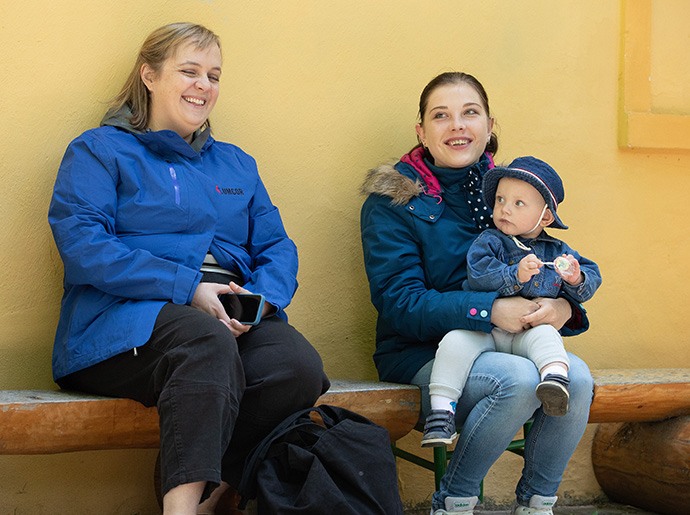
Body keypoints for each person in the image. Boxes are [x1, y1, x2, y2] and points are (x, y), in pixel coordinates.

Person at [48, 23, 329, 515]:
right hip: (126, 319)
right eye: (189, 71)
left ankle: (213, 495)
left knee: (297, 368)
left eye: (214, 76)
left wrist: (259, 302)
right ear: (150, 76)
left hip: (228, 313)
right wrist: (188, 287)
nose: (204, 85)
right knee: (204, 342)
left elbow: (277, 246)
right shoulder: (98, 150)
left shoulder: (236, 164)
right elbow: (84, 246)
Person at [360, 72, 594, 515]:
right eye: (441, 116)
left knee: (578, 380)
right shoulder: (392, 201)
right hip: (423, 351)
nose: (457, 126)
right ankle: (453, 502)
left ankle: (536, 505)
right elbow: (399, 302)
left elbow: (551, 256)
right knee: (519, 381)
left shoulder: (511, 192)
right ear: (422, 131)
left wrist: (564, 305)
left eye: (470, 113)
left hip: (509, 340)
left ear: (489, 127)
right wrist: (490, 310)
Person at [421, 156, 602, 448]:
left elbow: (591, 276)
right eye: (500, 199)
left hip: (526, 334)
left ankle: (554, 381)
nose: (504, 208)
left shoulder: (557, 251)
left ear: (545, 217)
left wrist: (575, 279)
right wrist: (513, 274)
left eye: (519, 203)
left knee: (546, 336)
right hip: (485, 330)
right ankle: (441, 411)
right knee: (454, 342)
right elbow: (479, 276)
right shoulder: (489, 241)